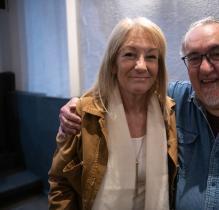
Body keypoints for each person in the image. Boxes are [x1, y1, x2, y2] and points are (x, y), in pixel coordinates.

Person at [58, 16, 219, 209]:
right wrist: (78, 103)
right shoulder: (172, 102)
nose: (205, 68)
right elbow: (127, 87)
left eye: (217, 53)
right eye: (193, 57)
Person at [48, 17, 178, 210]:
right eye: (130, 55)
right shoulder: (83, 114)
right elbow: (60, 184)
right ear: (113, 64)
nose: (141, 66)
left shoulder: (168, 111)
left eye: (151, 57)